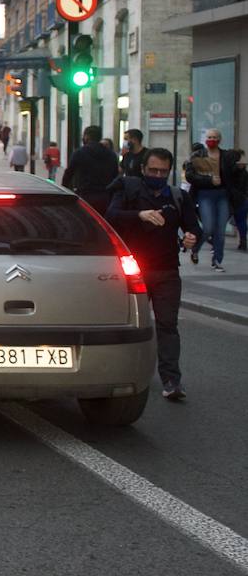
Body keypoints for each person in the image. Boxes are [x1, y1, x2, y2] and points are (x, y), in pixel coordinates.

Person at [106, 148, 201, 401]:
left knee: (167, 325)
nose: (158, 175)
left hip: (167, 271)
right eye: (153, 170)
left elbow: (193, 227)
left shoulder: (178, 197)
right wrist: (139, 215)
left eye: (163, 171)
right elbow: (111, 216)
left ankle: (171, 380)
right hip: (134, 272)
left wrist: (193, 238)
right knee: (129, 326)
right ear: (143, 169)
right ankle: (118, 374)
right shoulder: (128, 190)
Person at [185, 127, 246, 271]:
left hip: (223, 195)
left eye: (214, 137)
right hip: (205, 194)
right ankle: (195, 249)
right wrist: (209, 180)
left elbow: (233, 176)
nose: (211, 140)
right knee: (208, 227)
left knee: (220, 230)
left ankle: (217, 260)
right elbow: (190, 175)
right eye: (209, 137)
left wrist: (238, 169)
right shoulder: (198, 155)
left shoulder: (226, 156)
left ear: (219, 140)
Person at [62, 125, 121, 216]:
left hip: (86, 196)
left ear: (87, 136)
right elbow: (115, 176)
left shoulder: (79, 152)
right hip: (105, 197)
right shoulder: (111, 154)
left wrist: (65, 192)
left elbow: (68, 174)